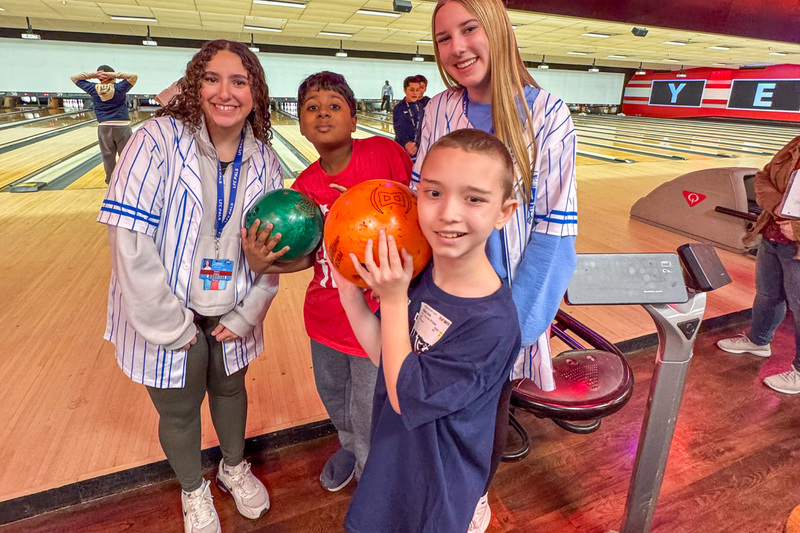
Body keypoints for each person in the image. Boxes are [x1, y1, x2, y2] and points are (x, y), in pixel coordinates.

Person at [98, 40, 281, 533]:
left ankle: (232, 468)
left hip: (232, 305)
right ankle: (193, 489)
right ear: (194, 85)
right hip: (161, 308)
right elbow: (129, 241)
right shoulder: (154, 139)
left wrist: (247, 312)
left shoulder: (264, 158)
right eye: (212, 78)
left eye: (239, 81)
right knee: (178, 409)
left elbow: (273, 249)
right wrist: (168, 324)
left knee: (230, 388)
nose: (226, 92)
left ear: (255, 93)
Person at [412, 0, 578, 530]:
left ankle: (473, 495)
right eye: (443, 38)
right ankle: (430, 488)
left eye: (469, 29)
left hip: (499, 312)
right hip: (437, 296)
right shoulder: (438, 108)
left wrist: (516, 329)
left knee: (485, 418)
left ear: (498, 29)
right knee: (432, 406)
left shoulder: (547, 114)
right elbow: (425, 201)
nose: (457, 47)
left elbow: (554, 234)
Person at [337, 128, 521, 533]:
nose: (448, 213)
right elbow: (389, 357)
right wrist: (350, 293)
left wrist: (391, 298)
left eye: (473, 198)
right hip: (394, 457)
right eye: (434, 193)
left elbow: (407, 395)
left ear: (504, 212)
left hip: (436, 484)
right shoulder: (422, 276)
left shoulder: (491, 325)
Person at [241, 71, 412, 492]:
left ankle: (375, 478)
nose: (322, 114)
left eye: (334, 107)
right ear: (298, 122)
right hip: (325, 316)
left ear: (354, 119)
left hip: (377, 315)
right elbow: (307, 257)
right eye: (312, 108)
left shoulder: (385, 153)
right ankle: (350, 447)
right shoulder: (302, 189)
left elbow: (415, 215)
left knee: (371, 404)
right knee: (334, 394)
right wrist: (263, 262)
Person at [717, 135, 800, 395]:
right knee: (768, 294)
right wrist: (778, 206)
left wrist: (797, 227)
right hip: (773, 233)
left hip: (797, 245)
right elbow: (763, 177)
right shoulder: (795, 144)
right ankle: (758, 340)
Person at [71, 65, 138, 184]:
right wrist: (114, 75)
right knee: (126, 156)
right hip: (122, 126)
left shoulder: (94, 88)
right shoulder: (119, 87)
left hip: (104, 127)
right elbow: (133, 76)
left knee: (108, 156)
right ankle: (127, 181)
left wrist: (94, 75)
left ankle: (111, 182)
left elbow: (74, 78)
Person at [392, 75, 430, 160]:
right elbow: (399, 129)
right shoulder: (399, 107)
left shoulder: (423, 106)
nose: (415, 93)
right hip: (404, 149)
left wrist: (419, 144)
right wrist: (406, 143)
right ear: (405, 90)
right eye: (412, 90)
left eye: (417, 90)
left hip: (420, 150)